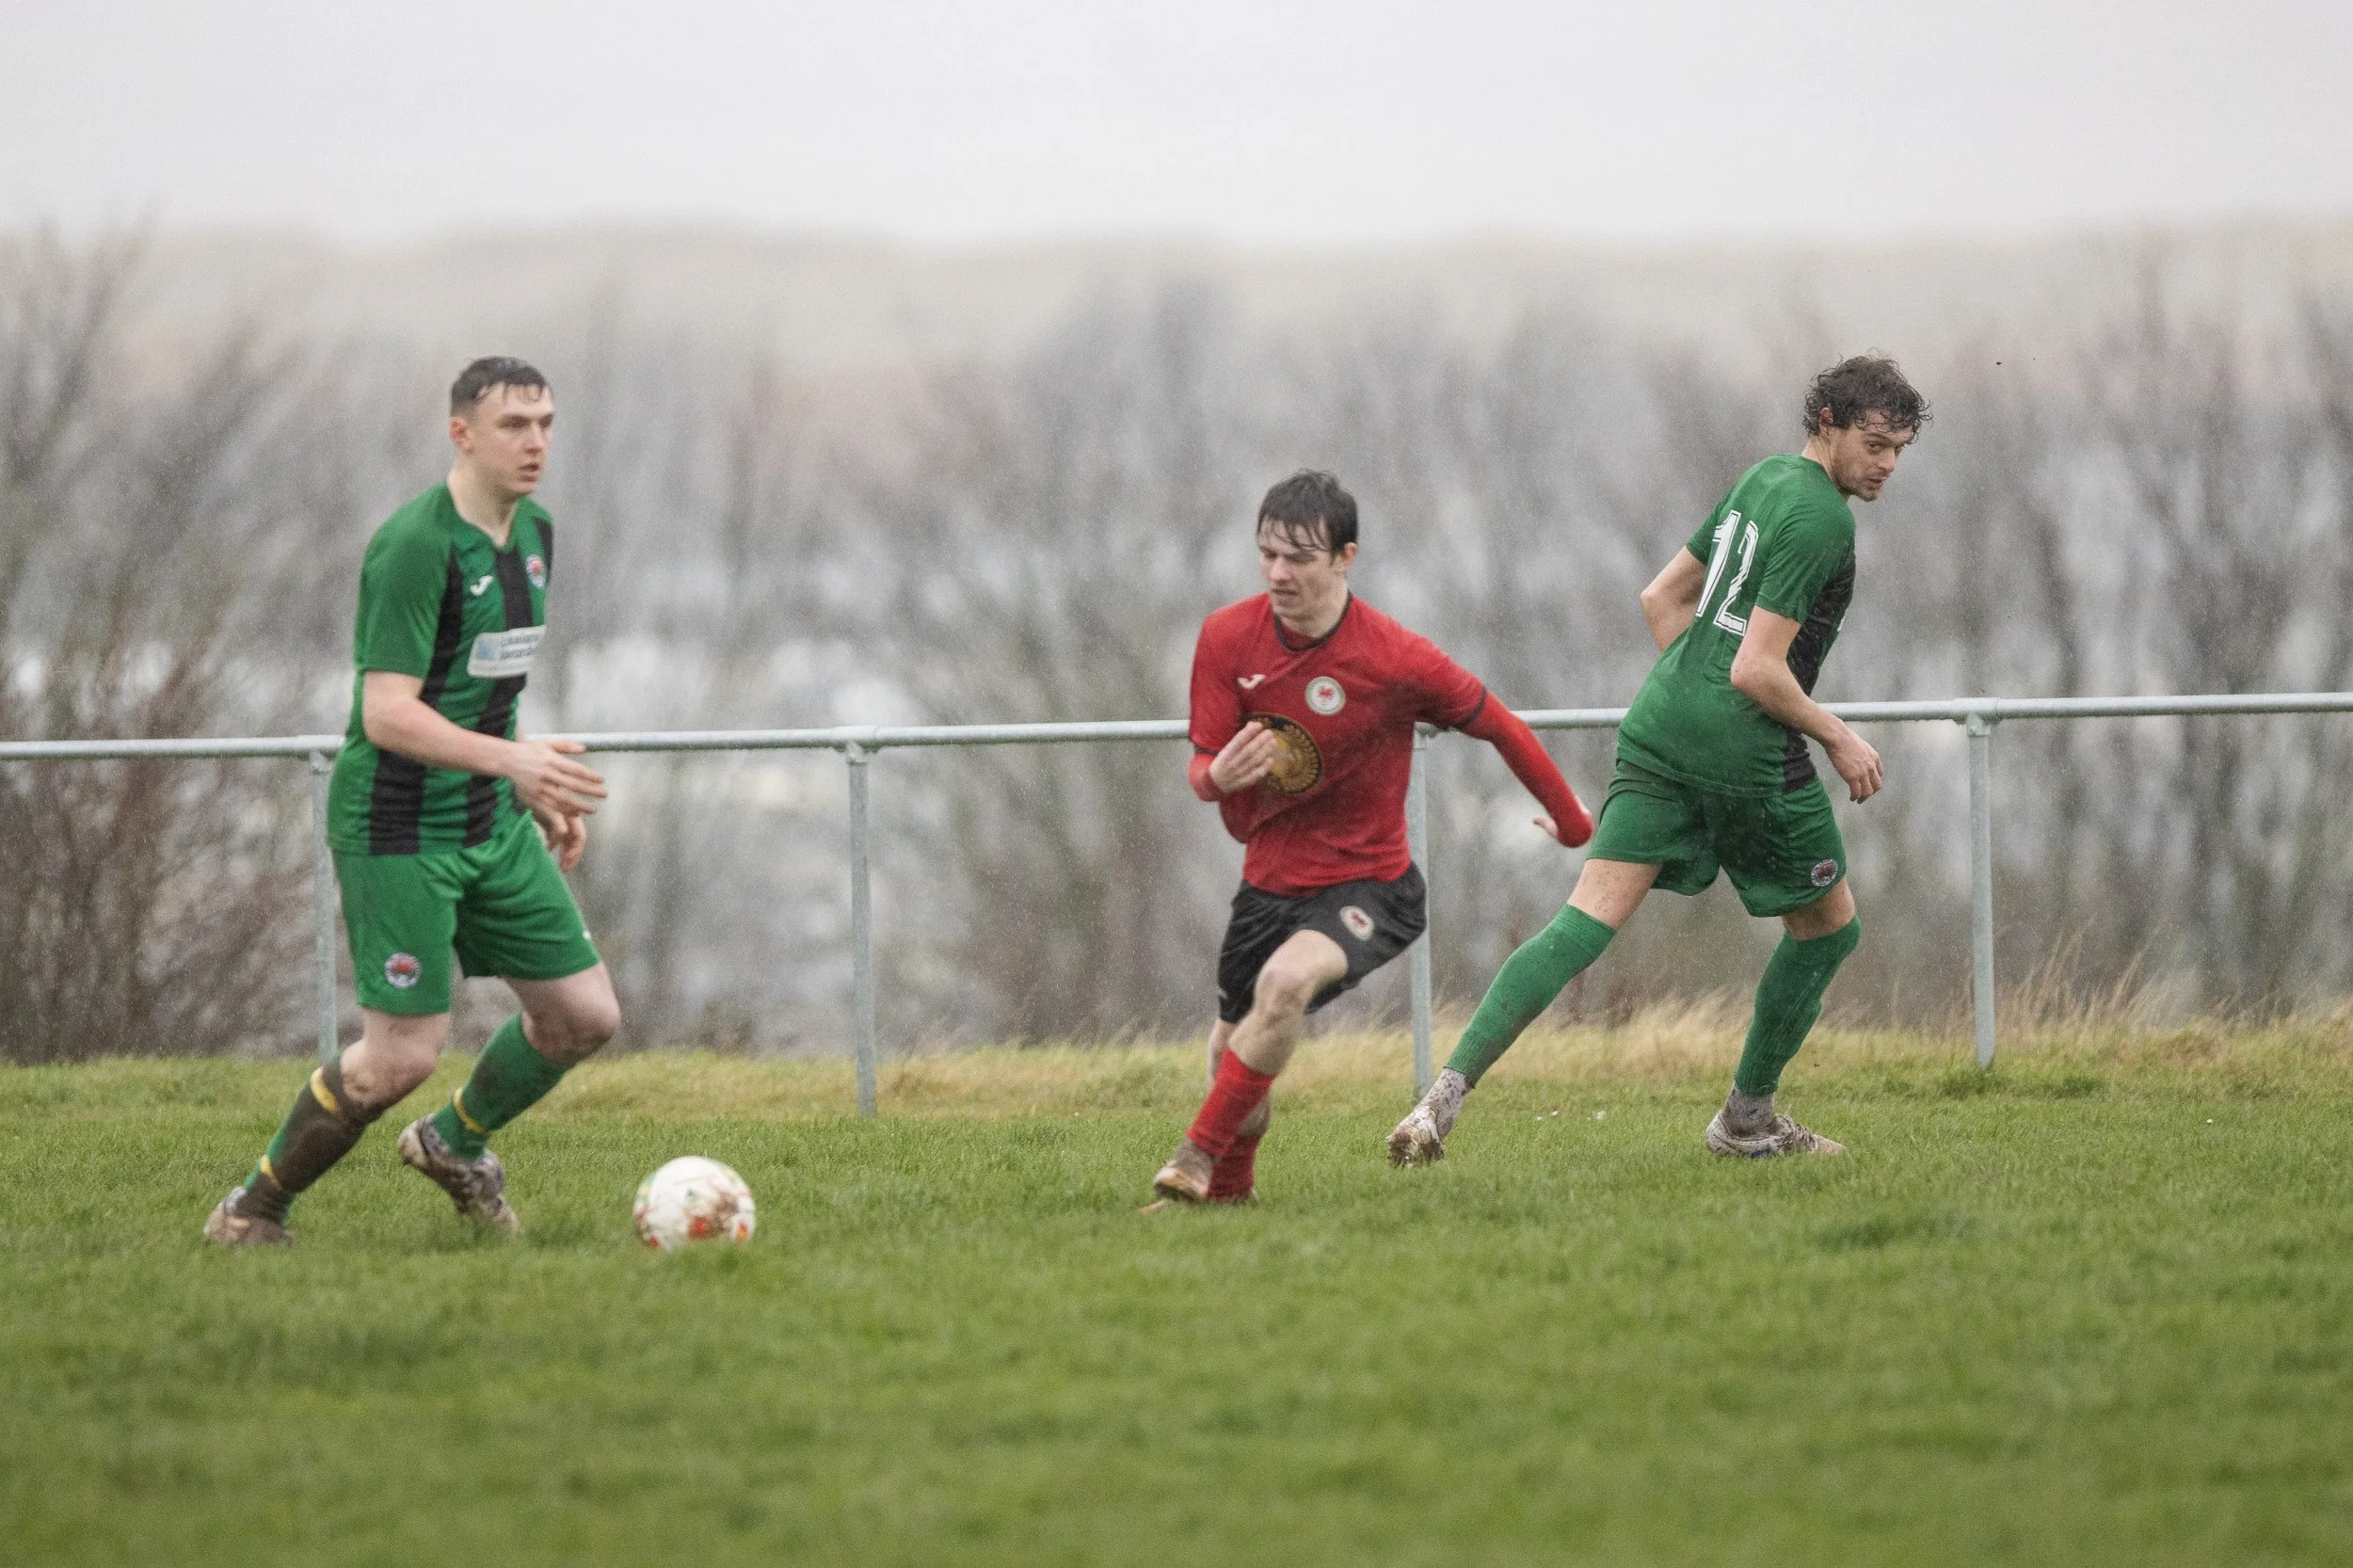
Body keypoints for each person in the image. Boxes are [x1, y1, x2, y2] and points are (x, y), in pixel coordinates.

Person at [1388, 355, 1929, 1165]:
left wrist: (1696, 698)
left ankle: (1441, 1098)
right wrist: (1838, 736)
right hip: (1745, 751)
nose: (1887, 465)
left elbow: (1661, 598)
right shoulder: (1824, 519)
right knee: (1825, 932)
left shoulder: (1764, 479)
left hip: (1658, 725)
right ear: (1827, 423)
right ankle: (1747, 1122)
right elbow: (1755, 669)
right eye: (1876, 444)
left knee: (1581, 922)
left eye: (1899, 450)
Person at [203, 357, 619, 1245]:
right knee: (400, 1056)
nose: (537, 441)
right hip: (397, 828)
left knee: (584, 1016)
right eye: (514, 425)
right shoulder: (414, 545)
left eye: (546, 422)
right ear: (461, 433)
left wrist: (533, 787)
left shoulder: (537, 531)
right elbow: (386, 713)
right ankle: (251, 1210)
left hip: (489, 821)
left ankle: (452, 1143)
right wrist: (516, 763)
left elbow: (488, 684)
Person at [1148, 471, 1593, 1205]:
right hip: (1267, 885)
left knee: (1284, 986)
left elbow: (1501, 725)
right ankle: (1229, 1195)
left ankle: (1195, 1155)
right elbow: (1203, 770)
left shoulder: (1394, 658)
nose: (1278, 573)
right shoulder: (1227, 637)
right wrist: (1217, 778)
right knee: (1235, 1050)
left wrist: (1573, 822)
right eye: (1267, 555)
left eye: (1298, 558)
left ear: (1346, 557)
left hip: (1373, 887)